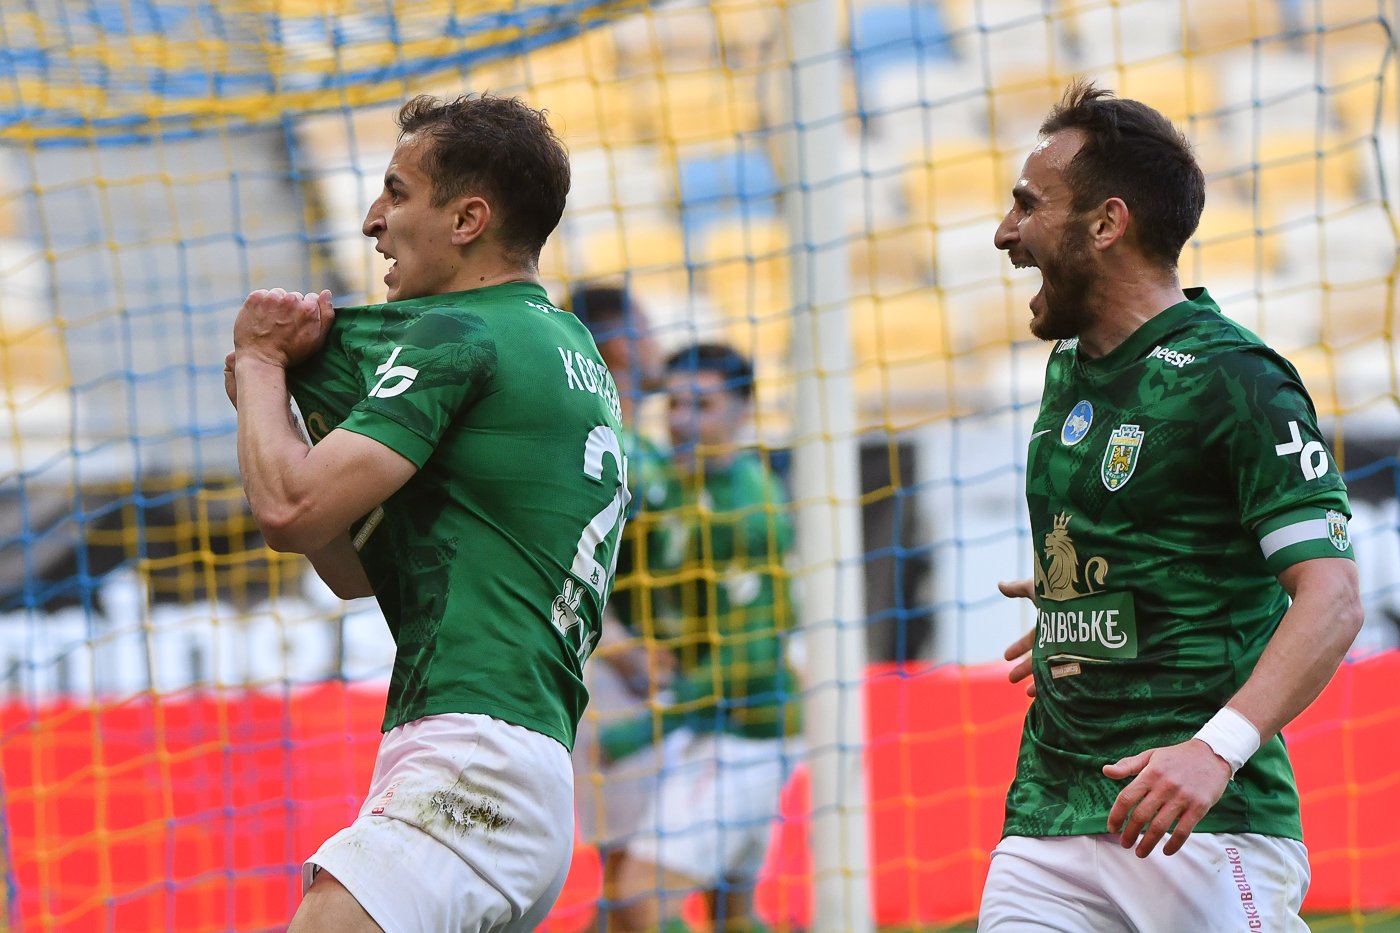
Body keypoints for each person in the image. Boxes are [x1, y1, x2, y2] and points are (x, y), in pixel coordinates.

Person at [224, 93, 630, 933]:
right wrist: (277, 412)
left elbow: (290, 508)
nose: (373, 220)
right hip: (516, 762)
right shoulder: (569, 347)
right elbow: (350, 566)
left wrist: (261, 363)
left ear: (468, 219)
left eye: (398, 192)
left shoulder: (458, 333)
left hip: (474, 756)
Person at [980, 80, 1364, 931]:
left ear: (1106, 224)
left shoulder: (1239, 380)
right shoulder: (1068, 371)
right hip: (1050, 811)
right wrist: (1084, 604)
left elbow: (1333, 597)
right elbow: (1155, 547)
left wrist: (1213, 752)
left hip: (1200, 821)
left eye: (1028, 205)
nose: (1005, 232)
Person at [602, 343, 800, 933]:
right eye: (674, 404)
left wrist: (645, 730)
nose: (683, 420)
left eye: (703, 405)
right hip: (713, 724)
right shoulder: (671, 478)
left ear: (744, 410)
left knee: (638, 896)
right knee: (729, 911)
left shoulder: (750, 507)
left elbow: (751, 653)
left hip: (743, 732)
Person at [562, 282, 675, 932]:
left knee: (656, 867)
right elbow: (565, 567)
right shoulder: (587, 447)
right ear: (619, 345)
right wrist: (625, 649)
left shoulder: (652, 450)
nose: (658, 341)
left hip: (665, 677)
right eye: (646, 327)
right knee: (632, 871)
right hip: (611, 669)